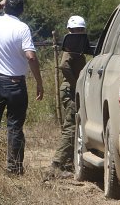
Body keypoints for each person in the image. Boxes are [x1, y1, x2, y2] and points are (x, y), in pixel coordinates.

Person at [0, 0, 44, 175]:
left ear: (5, 7)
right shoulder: (22, 28)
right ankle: (14, 169)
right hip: (15, 84)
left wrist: (0, 3)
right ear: (22, 10)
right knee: (15, 127)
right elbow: (31, 56)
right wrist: (39, 83)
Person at [46, 15, 86, 179]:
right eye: (76, 30)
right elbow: (64, 66)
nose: (79, 32)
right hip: (70, 89)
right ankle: (57, 164)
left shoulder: (76, 45)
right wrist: (76, 84)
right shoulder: (70, 46)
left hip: (71, 88)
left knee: (72, 126)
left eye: (81, 30)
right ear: (70, 30)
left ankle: (67, 162)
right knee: (71, 127)